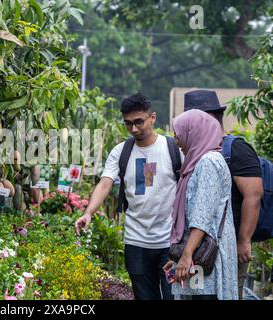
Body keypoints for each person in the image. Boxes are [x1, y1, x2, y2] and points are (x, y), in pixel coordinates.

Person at [75, 93, 182, 300]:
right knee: (144, 296)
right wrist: (88, 213)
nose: (134, 129)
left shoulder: (172, 149)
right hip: (136, 240)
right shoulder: (121, 151)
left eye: (139, 122)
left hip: (169, 241)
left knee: (173, 296)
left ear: (153, 117)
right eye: (128, 124)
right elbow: (105, 183)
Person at [183, 90, 263, 299]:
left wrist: (243, 240)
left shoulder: (235, 150)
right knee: (198, 294)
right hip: (200, 246)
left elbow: (253, 196)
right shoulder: (194, 153)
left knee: (228, 292)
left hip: (228, 245)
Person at [164, 109, 238, 300]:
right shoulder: (198, 163)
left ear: (194, 132)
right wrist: (178, 257)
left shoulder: (208, 162)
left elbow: (201, 217)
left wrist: (186, 255)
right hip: (201, 254)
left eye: (179, 132)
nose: (176, 139)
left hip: (207, 258)